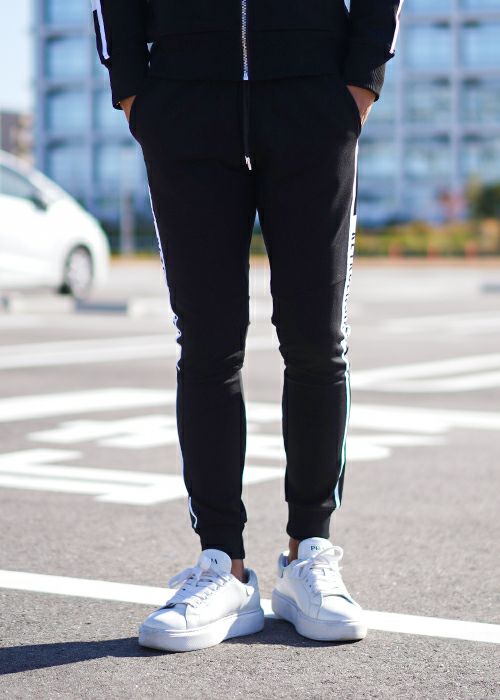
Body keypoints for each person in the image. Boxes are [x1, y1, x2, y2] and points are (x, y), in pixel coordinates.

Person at [90, 0, 403, 653]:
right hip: (183, 100)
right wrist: (132, 91)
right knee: (208, 344)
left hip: (314, 96)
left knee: (317, 342)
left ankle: (307, 552)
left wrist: (361, 81)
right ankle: (222, 567)